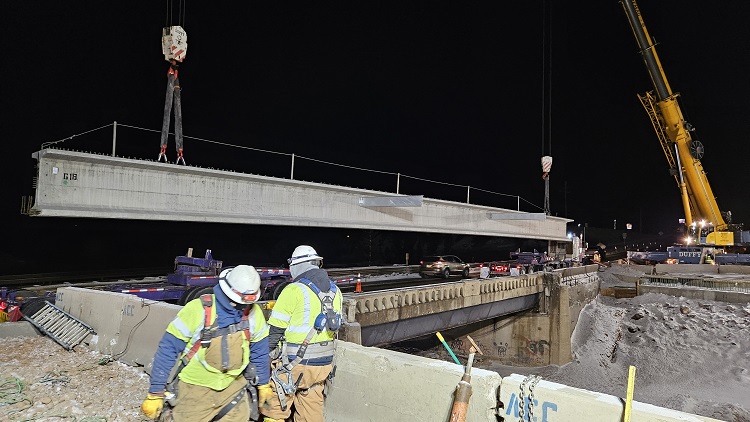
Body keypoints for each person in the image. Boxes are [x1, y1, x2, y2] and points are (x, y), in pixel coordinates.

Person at [140, 265, 275, 422]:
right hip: (194, 391)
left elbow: (260, 352)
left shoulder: (253, 314)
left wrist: (263, 384)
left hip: (234, 389)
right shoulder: (197, 310)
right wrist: (155, 393)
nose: (245, 307)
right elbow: (167, 350)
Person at [262, 245, 344, 422]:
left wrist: (263, 361)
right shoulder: (335, 291)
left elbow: (274, 333)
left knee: (274, 407)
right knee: (311, 412)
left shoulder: (294, 290)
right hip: (323, 366)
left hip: (295, 364)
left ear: (297, 265)